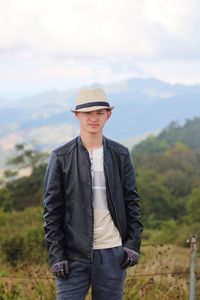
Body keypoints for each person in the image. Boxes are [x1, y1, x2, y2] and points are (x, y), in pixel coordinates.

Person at [43, 87, 143, 300]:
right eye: (88, 113)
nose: (93, 118)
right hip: (72, 256)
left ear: (108, 114)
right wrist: (56, 255)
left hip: (113, 253)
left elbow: (132, 202)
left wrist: (132, 244)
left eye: (99, 112)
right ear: (77, 116)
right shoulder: (61, 157)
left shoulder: (121, 154)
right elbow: (51, 211)